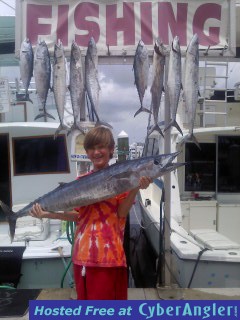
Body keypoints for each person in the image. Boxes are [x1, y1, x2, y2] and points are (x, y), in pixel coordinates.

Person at [30, 126, 152, 300]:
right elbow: (80, 217)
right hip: (82, 256)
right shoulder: (80, 182)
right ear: (87, 152)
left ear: (111, 150)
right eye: (92, 148)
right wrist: (47, 214)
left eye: (101, 147)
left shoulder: (123, 180)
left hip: (109, 257)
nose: (96, 152)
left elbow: (121, 214)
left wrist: (135, 188)